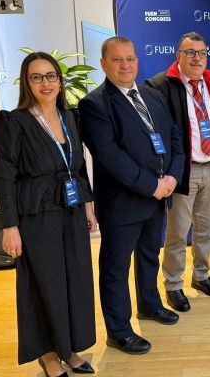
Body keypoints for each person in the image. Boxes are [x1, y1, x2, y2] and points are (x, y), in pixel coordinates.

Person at [0, 52, 96, 376]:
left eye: (51, 76)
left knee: (75, 280)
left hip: (71, 210)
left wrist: (88, 205)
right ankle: (49, 355)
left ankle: (70, 349)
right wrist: (10, 226)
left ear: (59, 81)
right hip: (37, 214)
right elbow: (3, 177)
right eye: (36, 77)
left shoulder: (71, 117)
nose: (45, 83)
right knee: (44, 284)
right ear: (27, 83)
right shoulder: (14, 122)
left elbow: (78, 167)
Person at [79, 36, 185, 354]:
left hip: (157, 197)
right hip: (123, 203)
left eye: (130, 59)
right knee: (116, 268)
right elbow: (109, 156)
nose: (125, 65)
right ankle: (119, 331)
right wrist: (152, 185)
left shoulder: (152, 95)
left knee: (149, 255)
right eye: (117, 59)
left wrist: (172, 177)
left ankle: (149, 305)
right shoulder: (94, 104)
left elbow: (174, 136)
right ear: (103, 64)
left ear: (137, 62)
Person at [146, 32, 210, 310]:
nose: (197, 58)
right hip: (182, 172)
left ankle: (201, 276)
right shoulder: (160, 85)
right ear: (178, 55)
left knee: (206, 229)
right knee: (178, 233)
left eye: (202, 53)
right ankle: (173, 284)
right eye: (190, 52)